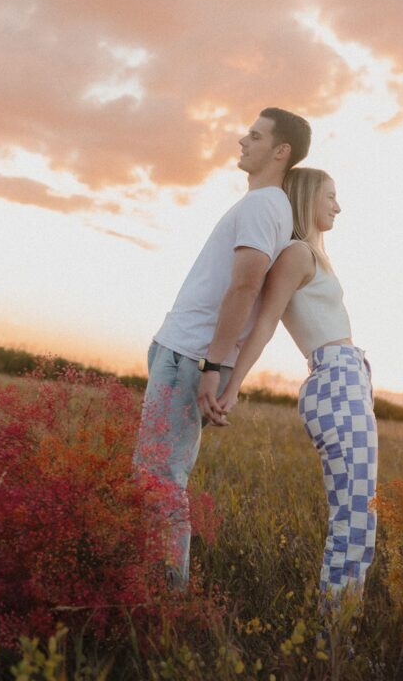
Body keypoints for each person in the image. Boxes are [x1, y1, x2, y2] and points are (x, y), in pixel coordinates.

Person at [134, 108, 312, 588]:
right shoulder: (265, 206)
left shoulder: (263, 206)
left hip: (189, 355)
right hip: (186, 351)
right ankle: (155, 587)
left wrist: (214, 365)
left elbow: (246, 286)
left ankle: (164, 598)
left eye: (254, 136)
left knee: (159, 478)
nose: (241, 140)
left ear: (281, 151)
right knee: (158, 474)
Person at [216, 167, 377, 603]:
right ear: (308, 199)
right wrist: (231, 386)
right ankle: (334, 632)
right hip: (335, 382)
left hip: (349, 381)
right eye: (330, 196)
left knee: (359, 513)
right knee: (355, 517)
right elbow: (264, 323)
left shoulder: (312, 257)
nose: (338, 206)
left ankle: (340, 623)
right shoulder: (297, 255)